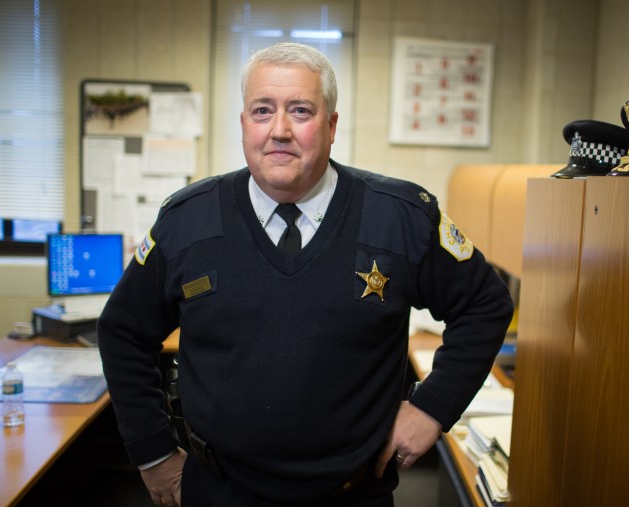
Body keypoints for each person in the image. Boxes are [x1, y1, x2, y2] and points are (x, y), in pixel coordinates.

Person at [98, 41, 513, 507]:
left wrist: (431, 408)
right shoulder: (188, 221)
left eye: (300, 110)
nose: (279, 130)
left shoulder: (399, 217)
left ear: (332, 125)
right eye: (261, 111)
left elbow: (485, 305)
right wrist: (152, 452)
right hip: (218, 493)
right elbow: (122, 331)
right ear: (243, 125)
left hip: (353, 496)